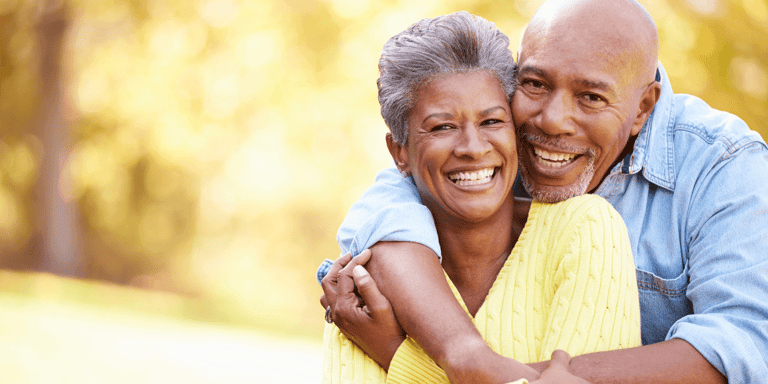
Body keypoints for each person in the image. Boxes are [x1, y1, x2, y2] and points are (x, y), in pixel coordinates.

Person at [319, 0, 768, 383]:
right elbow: (391, 202)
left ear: (642, 108)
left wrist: (409, 358)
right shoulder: (495, 134)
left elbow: (745, 344)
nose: (552, 120)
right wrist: (463, 355)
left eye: (591, 97)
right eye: (535, 84)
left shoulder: (723, 165)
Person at [320, 11, 642, 384]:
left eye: (492, 122)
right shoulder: (363, 285)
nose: (473, 148)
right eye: (443, 127)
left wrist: (397, 355)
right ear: (400, 152)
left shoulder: (583, 230)